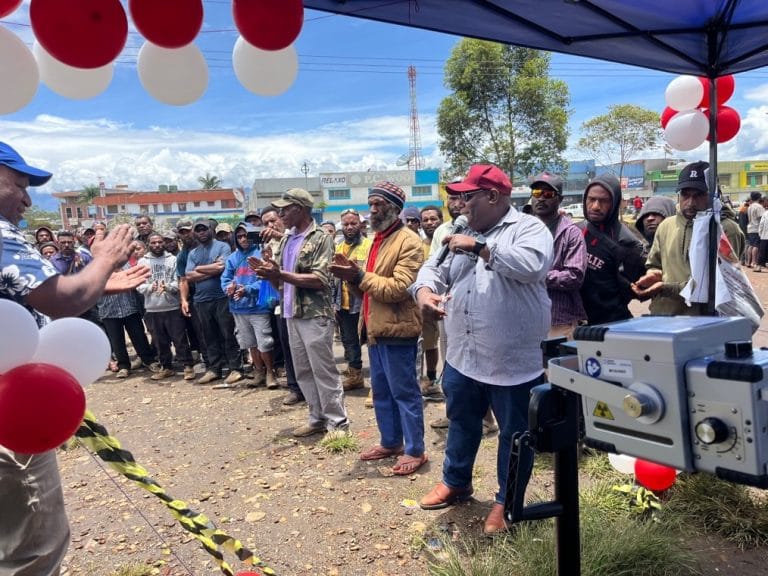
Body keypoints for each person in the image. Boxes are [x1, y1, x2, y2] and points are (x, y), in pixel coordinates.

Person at [0, 141, 149, 576]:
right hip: (10, 414)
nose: (28, 199)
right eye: (19, 185)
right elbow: (66, 300)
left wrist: (98, 281)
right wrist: (102, 262)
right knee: (32, 549)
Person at [411, 163, 553, 534]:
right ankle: (456, 481)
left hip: (512, 361)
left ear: (492, 196)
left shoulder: (529, 229)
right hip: (463, 354)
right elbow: (432, 268)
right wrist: (424, 291)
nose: (460, 203)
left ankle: (508, 501)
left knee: (515, 434)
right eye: (458, 196)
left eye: (467, 196)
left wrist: (480, 247)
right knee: (461, 421)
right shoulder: (457, 229)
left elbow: (532, 266)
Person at [330, 182, 427, 475]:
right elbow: (370, 287)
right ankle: (391, 441)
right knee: (382, 391)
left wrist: (358, 274)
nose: (372, 210)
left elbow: (399, 288)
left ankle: (415, 450)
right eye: (370, 204)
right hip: (375, 326)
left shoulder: (408, 241)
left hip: (398, 329)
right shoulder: (377, 240)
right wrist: (351, 278)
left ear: (395, 208)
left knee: (405, 392)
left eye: (379, 204)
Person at [252, 188, 349, 437]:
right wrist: (269, 273)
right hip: (290, 312)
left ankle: (338, 423)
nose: (281, 213)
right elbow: (282, 283)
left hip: (314, 314)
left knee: (323, 370)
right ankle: (316, 417)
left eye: (286, 208)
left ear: (301, 209)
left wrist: (280, 274)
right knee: (303, 370)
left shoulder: (321, 238)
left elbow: (321, 279)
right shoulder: (287, 239)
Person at [632, 161, 745, 315]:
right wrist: (653, 275)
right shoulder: (666, 225)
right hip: (663, 317)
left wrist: (665, 288)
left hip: (704, 323)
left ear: (714, 194)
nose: (690, 203)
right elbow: (655, 264)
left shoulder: (725, 230)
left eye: (699, 195)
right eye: (685, 195)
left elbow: (719, 285)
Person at [577, 173, 647, 325]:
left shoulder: (627, 243)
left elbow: (639, 291)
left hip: (611, 325)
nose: (595, 206)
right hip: (575, 324)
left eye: (603, 201)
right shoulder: (574, 231)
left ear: (614, 203)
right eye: (591, 199)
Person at [185, 217, 243, 385]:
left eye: (204, 229)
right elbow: (189, 276)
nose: (201, 232)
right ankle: (214, 369)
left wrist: (199, 268)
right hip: (201, 300)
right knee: (208, 336)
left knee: (228, 333)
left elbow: (223, 267)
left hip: (222, 297)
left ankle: (236, 368)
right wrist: (212, 268)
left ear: (210, 230)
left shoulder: (222, 246)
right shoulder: (193, 253)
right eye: (198, 229)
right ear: (194, 233)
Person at [530, 172, 587, 338]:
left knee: (556, 364)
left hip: (558, 321)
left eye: (548, 194)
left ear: (560, 199)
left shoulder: (571, 233)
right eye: (536, 193)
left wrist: (536, 275)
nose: (541, 198)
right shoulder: (521, 229)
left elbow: (575, 276)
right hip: (525, 318)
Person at [221, 222, 278, 389]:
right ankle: (258, 372)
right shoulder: (232, 258)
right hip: (238, 308)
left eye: (246, 235)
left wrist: (247, 290)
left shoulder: (261, 254)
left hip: (258, 306)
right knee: (249, 342)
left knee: (264, 342)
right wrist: (229, 288)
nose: (243, 239)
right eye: (239, 236)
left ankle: (270, 373)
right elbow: (225, 279)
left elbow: (266, 281)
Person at [260, 206, 304, 406]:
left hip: (303, 301)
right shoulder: (270, 246)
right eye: (265, 223)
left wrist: (279, 236)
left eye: (273, 220)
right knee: (287, 347)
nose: (270, 226)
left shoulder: (293, 236)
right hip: (282, 302)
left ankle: (310, 389)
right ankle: (295, 387)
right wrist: (267, 269)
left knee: (305, 348)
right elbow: (276, 283)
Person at [137, 233, 195, 381]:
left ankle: (187, 366)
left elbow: (180, 281)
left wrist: (168, 287)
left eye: (160, 242)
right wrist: (150, 287)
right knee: (159, 340)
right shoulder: (142, 262)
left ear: (164, 243)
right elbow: (138, 285)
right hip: (152, 308)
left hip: (172, 306)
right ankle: (166, 367)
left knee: (180, 338)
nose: (157, 245)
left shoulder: (173, 259)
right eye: (154, 242)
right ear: (148, 244)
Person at [332, 208, 372, 391]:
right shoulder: (337, 247)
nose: (349, 227)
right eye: (346, 224)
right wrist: (333, 304)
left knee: (372, 339)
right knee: (349, 340)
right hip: (343, 304)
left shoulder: (369, 246)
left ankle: (377, 384)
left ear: (360, 225)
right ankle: (355, 375)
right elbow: (332, 279)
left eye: (353, 223)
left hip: (363, 302)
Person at [746, 191, 763, 268]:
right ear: (759, 198)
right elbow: (761, 218)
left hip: (750, 228)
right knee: (756, 246)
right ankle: (754, 262)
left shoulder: (750, 206)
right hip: (756, 228)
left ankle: (748, 262)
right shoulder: (759, 207)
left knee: (750, 245)